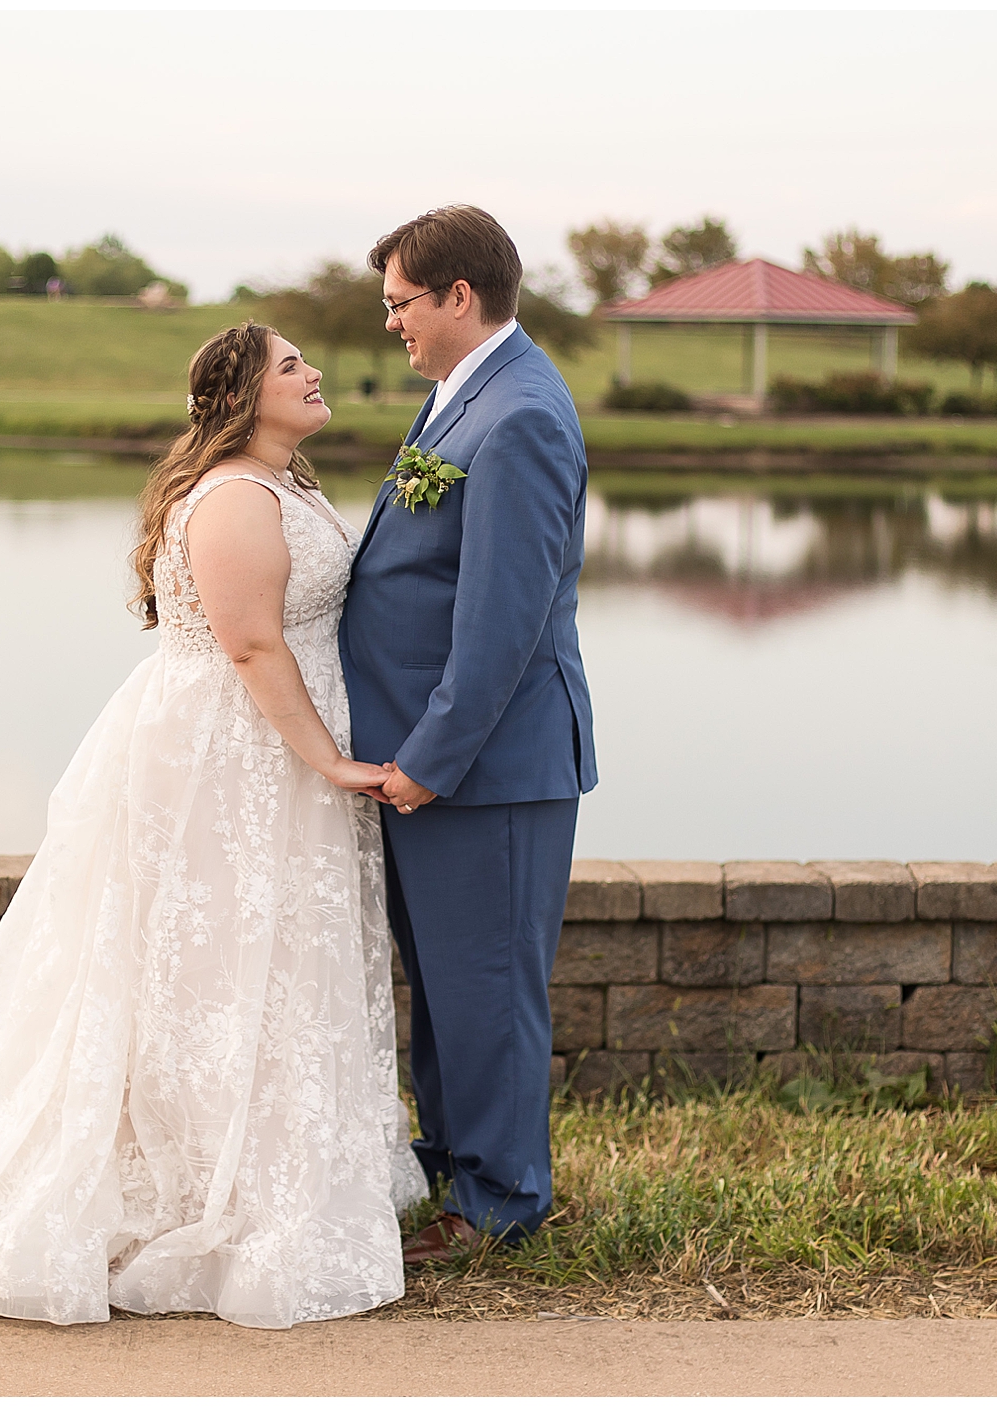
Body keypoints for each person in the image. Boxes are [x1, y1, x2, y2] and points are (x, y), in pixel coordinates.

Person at [0, 322, 424, 1330]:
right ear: (243, 397)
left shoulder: (283, 484)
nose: (313, 373)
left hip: (267, 745)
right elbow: (252, 646)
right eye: (290, 365)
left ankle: (261, 1166)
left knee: (256, 961)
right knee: (207, 963)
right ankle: (186, 1186)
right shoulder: (234, 497)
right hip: (231, 753)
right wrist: (330, 761)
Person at [340, 205, 597, 1264]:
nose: (390, 322)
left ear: (459, 295)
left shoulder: (522, 414)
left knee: (486, 991)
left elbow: (503, 623)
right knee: (448, 989)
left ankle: (500, 1203)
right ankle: (455, 1171)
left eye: (401, 302)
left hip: (483, 768)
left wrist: (428, 762)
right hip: (433, 764)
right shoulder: (465, 393)